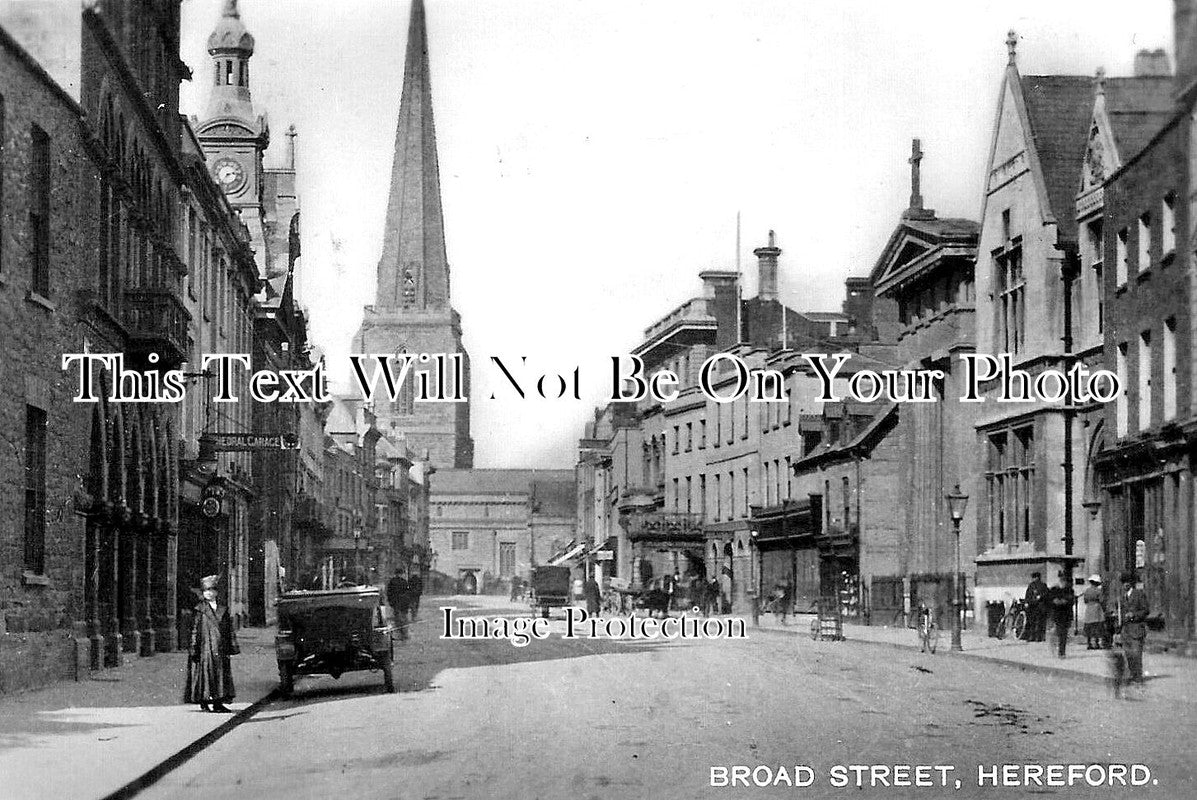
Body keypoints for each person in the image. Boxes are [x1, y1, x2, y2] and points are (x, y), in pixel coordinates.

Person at [184, 575, 238, 713]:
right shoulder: (200, 610)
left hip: (220, 648)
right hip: (206, 647)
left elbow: (229, 629)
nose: (209, 593)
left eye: (212, 590)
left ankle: (218, 703)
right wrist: (194, 648)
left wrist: (232, 646)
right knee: (206, 674)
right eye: (206, 590)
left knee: (221, 675)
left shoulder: (223, 609)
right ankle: (205, 701)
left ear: (217, 592)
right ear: (203, 593)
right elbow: (195, 630)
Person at [1118, 570, 1150, 690]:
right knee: (1129, 655)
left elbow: (1146, 610)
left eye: (1127, 582)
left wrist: (1134, 615)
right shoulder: (1122, 597)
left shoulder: (1138, 594)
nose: (1125, 585)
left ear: (1131, 583)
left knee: (1137, 654)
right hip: (1126, 630)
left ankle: (1138, 678)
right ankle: (1133, 675)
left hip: (1137, 629)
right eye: (1123, 582)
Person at [1046, 572, 1074, 658]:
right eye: (1061, 579)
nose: (1063, 581)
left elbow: (1071, 601)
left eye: (1064, 580)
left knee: (1063, 634)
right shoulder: (1054, 589)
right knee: (1056, 633)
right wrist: (1056, 601)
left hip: (1066, 614)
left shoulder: (1069, 590)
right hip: (1057, 614)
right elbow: (1050, 600)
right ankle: (1055, 650)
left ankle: (1062, 652)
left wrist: (1062, 601)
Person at [1082, 574, 1106, 650]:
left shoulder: (1087, 590)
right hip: (1097, 608)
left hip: (1089, 608)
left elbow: (1085, 600)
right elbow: (1101, 600)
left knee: (1089, 626)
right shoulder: (1098, 591)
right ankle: (1096, 643)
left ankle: (1089, 643)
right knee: (1097, 626)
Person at [1023, 572, 1049, 642]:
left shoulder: (1043, 585)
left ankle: (1039, 637)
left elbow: (1046, 594)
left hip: (1040, 606)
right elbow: (1027, 595)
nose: (1035, 579)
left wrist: (1041, 596)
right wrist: (1026, 602)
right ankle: (1032, 636)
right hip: (1032, 606)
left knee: (1039, 622)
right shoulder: (1031, 585)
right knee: (1032, 622)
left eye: (1036, 577)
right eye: (1034, 577)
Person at [386, 569, 410, 641]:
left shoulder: (392, 582)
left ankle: (401, 633)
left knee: (398, 619)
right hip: (403, 603)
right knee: (404, 618)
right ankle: (404, 633)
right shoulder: (404, 582)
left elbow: (389, 593)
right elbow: (408, 593)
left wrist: (391, 602)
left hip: (396, 603)